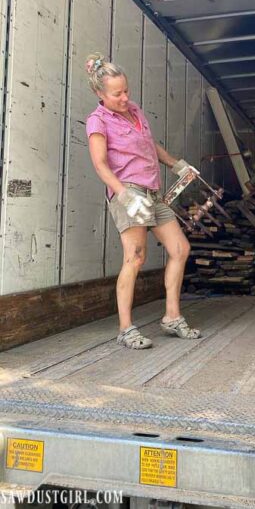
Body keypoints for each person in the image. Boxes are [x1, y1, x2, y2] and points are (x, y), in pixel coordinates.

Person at [85, 53, 201, 349]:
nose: (124, 97)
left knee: (180, 248)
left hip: (152, 192)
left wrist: (177, 165)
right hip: (129, 191)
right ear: (100, 93)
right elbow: (100, 165)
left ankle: (172, 317)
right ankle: (126, 328)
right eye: (117, 93)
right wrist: (123, 196)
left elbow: (151, 145)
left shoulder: (134, 111)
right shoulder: (98, 121)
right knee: (135, 257)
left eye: (126, 90)